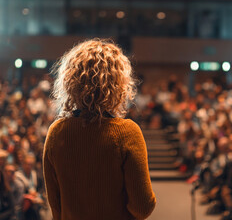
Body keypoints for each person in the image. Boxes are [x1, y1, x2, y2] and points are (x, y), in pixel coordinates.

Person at [43, 39, 156, 220]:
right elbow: (142, 206)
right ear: (118, 84)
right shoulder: (126, 133)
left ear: (71, 82)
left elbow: (56, 207)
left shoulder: (57, 132)